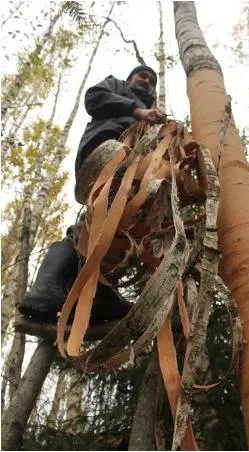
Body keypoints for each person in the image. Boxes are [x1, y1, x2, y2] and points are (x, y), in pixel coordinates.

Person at [19, 65, 166, 324]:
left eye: (152, 80)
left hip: (134, 167)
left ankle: (91, 290)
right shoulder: (115, 87)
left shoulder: (153, 119)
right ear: (129, 78)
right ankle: (60, 289)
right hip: (108, 149)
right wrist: (138, 111)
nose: (147, 81)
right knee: (102, 213)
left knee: (112, 220)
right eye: (142, 76)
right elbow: (94, 98)